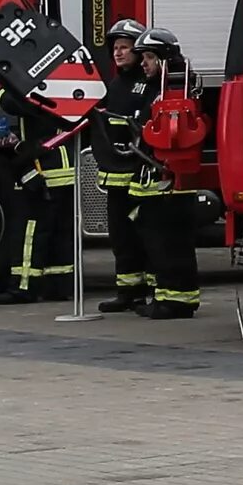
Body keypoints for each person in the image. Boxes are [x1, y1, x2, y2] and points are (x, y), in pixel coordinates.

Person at [128, 27, 203, 320]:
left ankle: (175, 301)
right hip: (163, 180)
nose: (143, 63)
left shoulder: (174, 91)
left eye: (149, 57)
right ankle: (168, 297)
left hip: (171, 182)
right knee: (161, 242)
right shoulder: (166, 87)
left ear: (166, 59)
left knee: (169, 243)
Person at [90, 20, 151, 312]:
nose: (118, 53)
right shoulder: (116, 84)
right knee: (121, 236)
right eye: (115, 48)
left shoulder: (148, 83)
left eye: (125, 47)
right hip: (115, 177)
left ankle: (151, 289)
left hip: (140, 175)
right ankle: (127, 291)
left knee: (145, 235)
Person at [0, 82, 79, 303]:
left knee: (31, 230)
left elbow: (16, 103)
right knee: (60, 233)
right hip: (63, 165)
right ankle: (59, 285)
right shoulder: (60, 82)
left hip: (46, 168)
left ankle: (24, 286)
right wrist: (18, 145)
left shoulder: (39, 86)